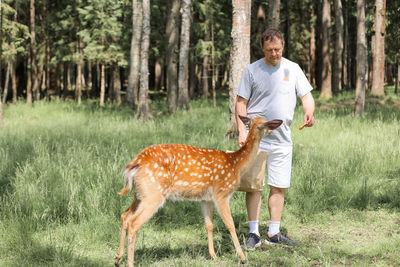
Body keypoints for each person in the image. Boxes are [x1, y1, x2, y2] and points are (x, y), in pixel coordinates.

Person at [235, 28, 315, 248]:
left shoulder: (293, 68)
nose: (274, 53)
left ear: (283, 46)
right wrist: (242, 131)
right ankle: (253, 234)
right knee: (254, 186)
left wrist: (309, 111)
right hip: (256, 140)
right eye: (269, 50)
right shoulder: (252, 71)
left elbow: (306, 96)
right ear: (263, 48)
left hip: (282, 139)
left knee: (278, 186)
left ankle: (273, 232)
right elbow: (241, 102)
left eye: (277, 49)